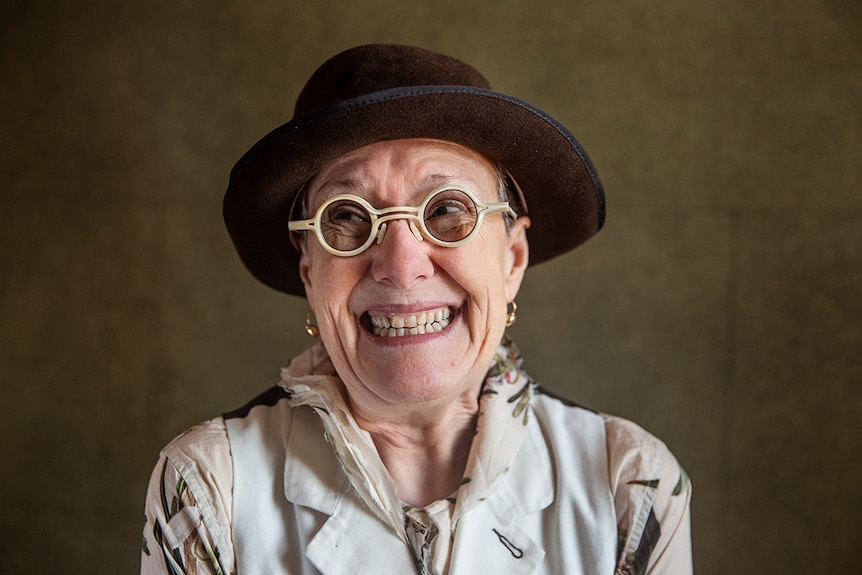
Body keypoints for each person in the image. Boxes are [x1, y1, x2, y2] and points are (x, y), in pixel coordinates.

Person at [141, 44, 692, 575]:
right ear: (309, 270)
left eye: (447, 209)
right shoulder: (209, 486)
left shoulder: (631, 487)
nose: (401, 265)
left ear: (512, 259)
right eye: (348, 216)